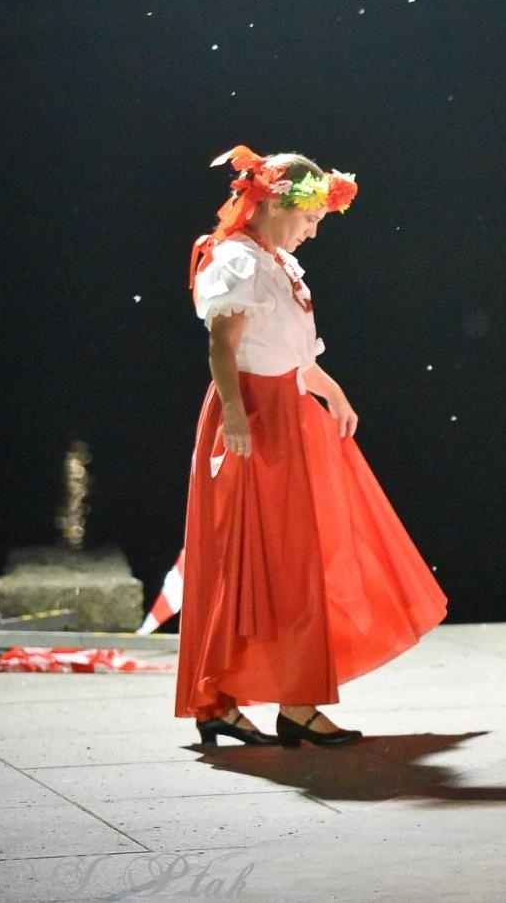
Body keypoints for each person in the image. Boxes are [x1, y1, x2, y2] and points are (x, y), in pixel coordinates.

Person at [177, 146, 447, 747]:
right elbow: (226, 349)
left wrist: (331, 390)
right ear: (275, 203)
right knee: (254, 561)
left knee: (291, 561)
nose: (313, 231)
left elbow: (292, 353)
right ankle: (236, 699)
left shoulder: (277, 262)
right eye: (309, 218)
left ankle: (273, 700)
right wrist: (238, 416)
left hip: (287, 411)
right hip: (254, 415)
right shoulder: (239, 260)